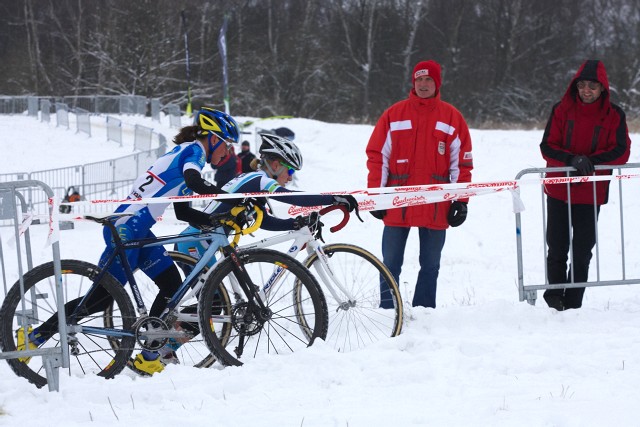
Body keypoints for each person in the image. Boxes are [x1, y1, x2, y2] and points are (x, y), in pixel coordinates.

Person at [17, 107, 243, 375]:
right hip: (127, 227)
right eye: (227, 145)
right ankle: (33, 339)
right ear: (212, 137)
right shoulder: (192, 151)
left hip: (138, 228)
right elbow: (195, 181)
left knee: (172, 288)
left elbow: (183, 211)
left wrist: (217, 220)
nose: (228, 153)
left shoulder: (185, 155)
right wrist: (230, 199)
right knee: (100, 300)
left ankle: (150, 354)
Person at [366, 59, 473, 309]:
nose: (423, 84)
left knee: (431, 264)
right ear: (413, 82)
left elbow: (462, 164)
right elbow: (377, 155)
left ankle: (424, 312)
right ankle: (388, 311)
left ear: (437, 83)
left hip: (436, 203)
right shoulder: (394, 114)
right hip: (396, 201)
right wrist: (376, 195)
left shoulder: (452, 117)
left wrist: (461, 200)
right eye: (419, 80)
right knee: (390, 262)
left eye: (428, 80)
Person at [176, 133, 359, 266]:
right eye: (291, 171)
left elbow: (263, 221)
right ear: (276, 165)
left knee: (211, 308)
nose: (290, 178)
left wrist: (294, 224)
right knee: (215, 307)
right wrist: (334, 198)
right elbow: (295, 198)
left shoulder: (253, 180)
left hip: (197, 239)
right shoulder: (260, 180)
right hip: (196, 241)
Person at [539, 59, 631, 311]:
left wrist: (592, 161)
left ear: (603, 88)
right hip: (559, 190)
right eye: (582, 85)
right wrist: (572, 159)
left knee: (582, 251)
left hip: (591, 194)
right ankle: (554, 298)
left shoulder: (614, 115)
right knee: (556, 247)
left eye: (592, 86)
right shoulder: (561, 109)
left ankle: (574, 303)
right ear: (575, 86)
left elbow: (621, 151)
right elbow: (547, 146)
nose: (586, 90)